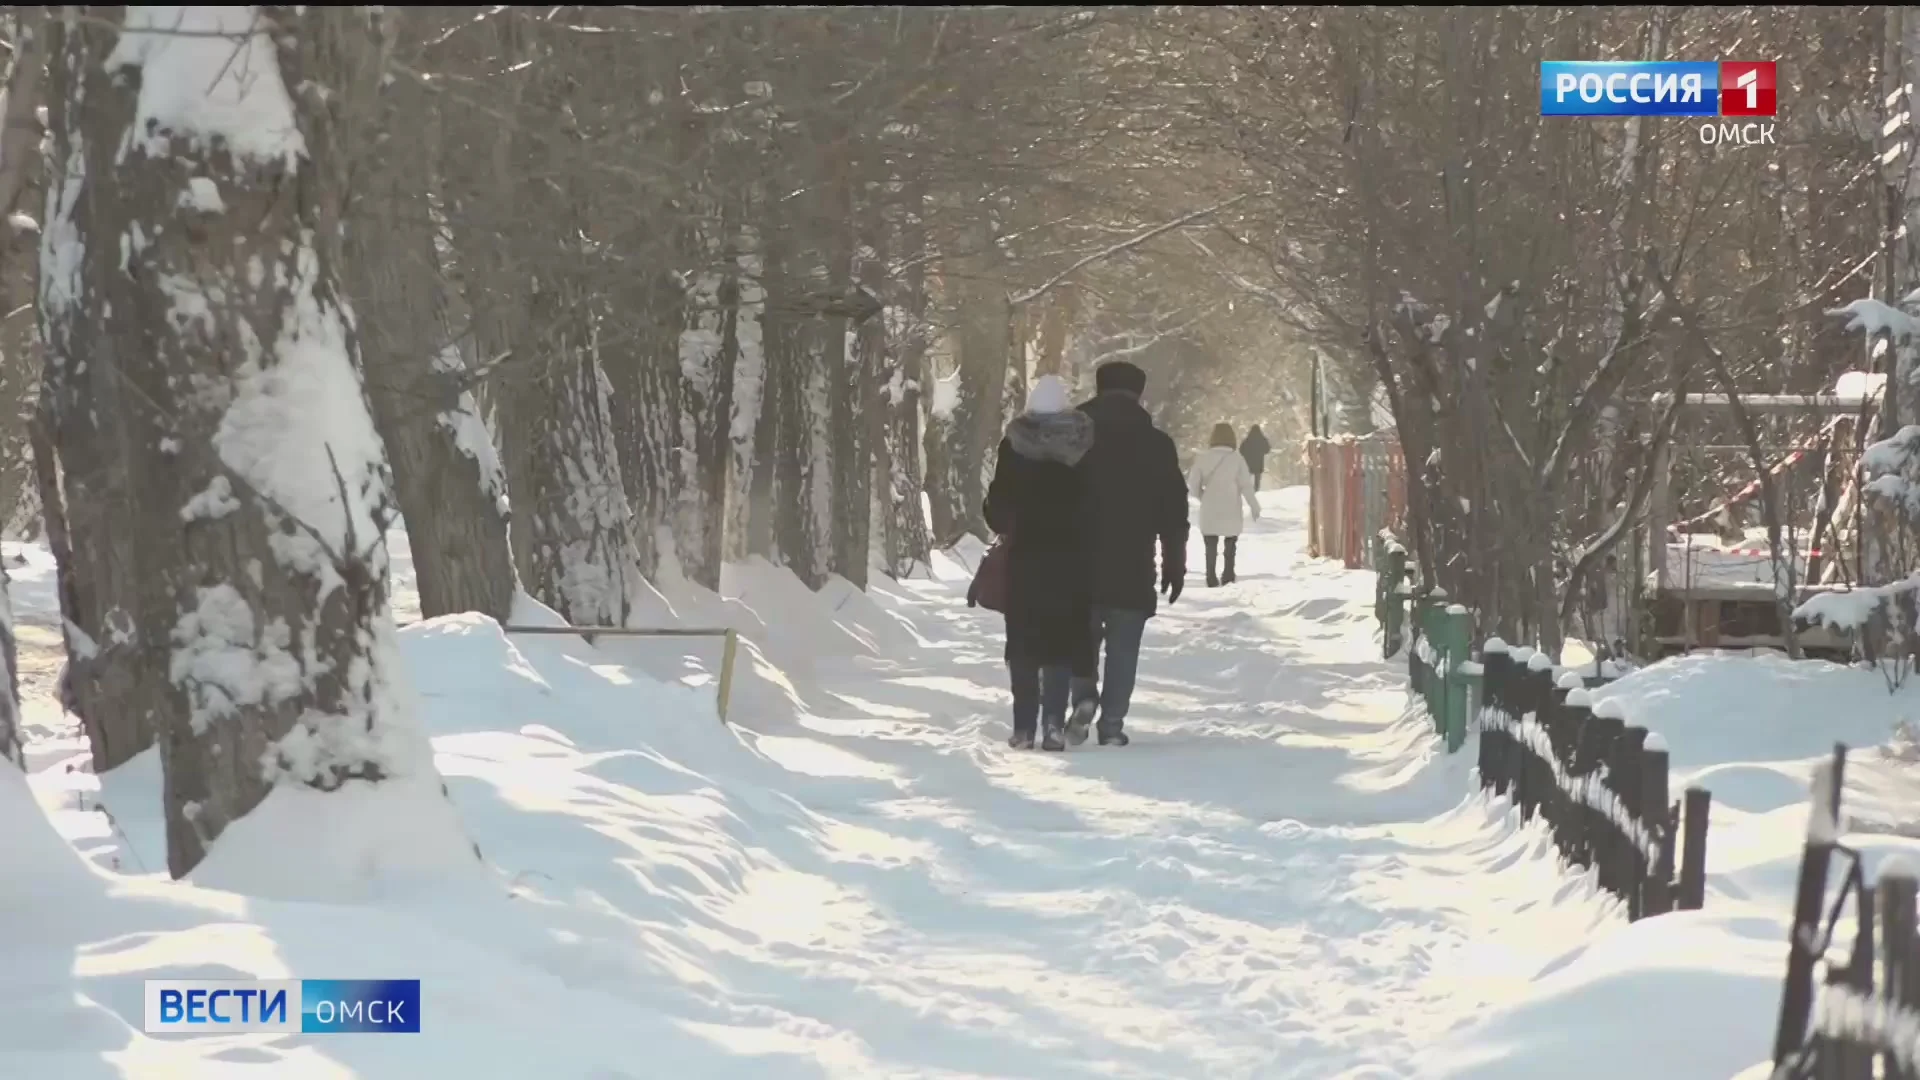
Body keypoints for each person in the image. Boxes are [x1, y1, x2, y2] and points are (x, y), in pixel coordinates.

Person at [1069, 360, 1189, 748]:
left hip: (1078, 559)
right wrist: (1175, 561)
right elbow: (1174, 509)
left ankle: (1084, 695)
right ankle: (1112, 723)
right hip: (1133, 561)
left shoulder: (1072, 438)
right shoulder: (1156, 444)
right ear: (1139, 394)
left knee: (1078, 638)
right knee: (1123, 647)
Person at [983, 375, 1099, 752]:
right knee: (1060, 644)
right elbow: (1095, 505)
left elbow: (999, 509)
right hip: (1071, 559)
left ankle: (1022, 728)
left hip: (1025, 559)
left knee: (1023, 645)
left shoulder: (1013, 446)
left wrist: (1001, 519)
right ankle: (1052, 724)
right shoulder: (1083, 447)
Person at [1190, 422, 1262, 587]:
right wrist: (1254, 505)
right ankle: (1228, 574)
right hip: (1231, 507)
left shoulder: (1203, 458)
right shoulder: (1237, 459)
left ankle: (1211, 576)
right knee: (1230, 544)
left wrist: (1203, 497)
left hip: (1210, 507)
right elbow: (1245, 485)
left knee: (1210, 544)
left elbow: (1193, 486)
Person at [1239, 424, 1272, 492]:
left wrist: (1246, 454)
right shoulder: (1263, 439)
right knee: (1257, 476)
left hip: (1248, 461)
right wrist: (1261, 452)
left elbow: (1241, 450)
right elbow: (1267, 449)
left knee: (1247, 475)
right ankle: (1256, 489)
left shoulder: (1247, 440)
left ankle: (1246, 488)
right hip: (1259, 461)